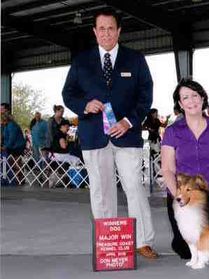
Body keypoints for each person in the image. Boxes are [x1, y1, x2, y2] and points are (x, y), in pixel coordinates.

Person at [62, 8, 157, 259]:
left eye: (110, 28)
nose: (106, 33)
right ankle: (108, 242)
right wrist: (84, 105)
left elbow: (145, 96)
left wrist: (128, 121)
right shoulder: (81, 61)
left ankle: (142, 241)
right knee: (100, 190)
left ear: (119, 31)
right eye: (101, 28)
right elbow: (68, 94)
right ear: (94, 32)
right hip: (94, 135)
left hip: (127, 135)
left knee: (134, 186)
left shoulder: (135, 59)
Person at [161, 79, 209, 259]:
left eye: (195, 95)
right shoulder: (172, 132)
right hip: (184, 196)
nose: (192, 101)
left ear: (203, 98)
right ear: (180, 104)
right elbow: (167, 169)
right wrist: (179, 199)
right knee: (185, 252)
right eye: (185, 97)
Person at [1, 113, 26, 184]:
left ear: (4, 119)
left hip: (17, 147)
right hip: (13, 146)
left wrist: (6, 147)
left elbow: (12, 139)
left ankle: (20, 179)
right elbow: (6, 138)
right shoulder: (7, 125)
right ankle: (17, 179)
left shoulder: (12, 125)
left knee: (16, 163)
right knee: (12, 163)